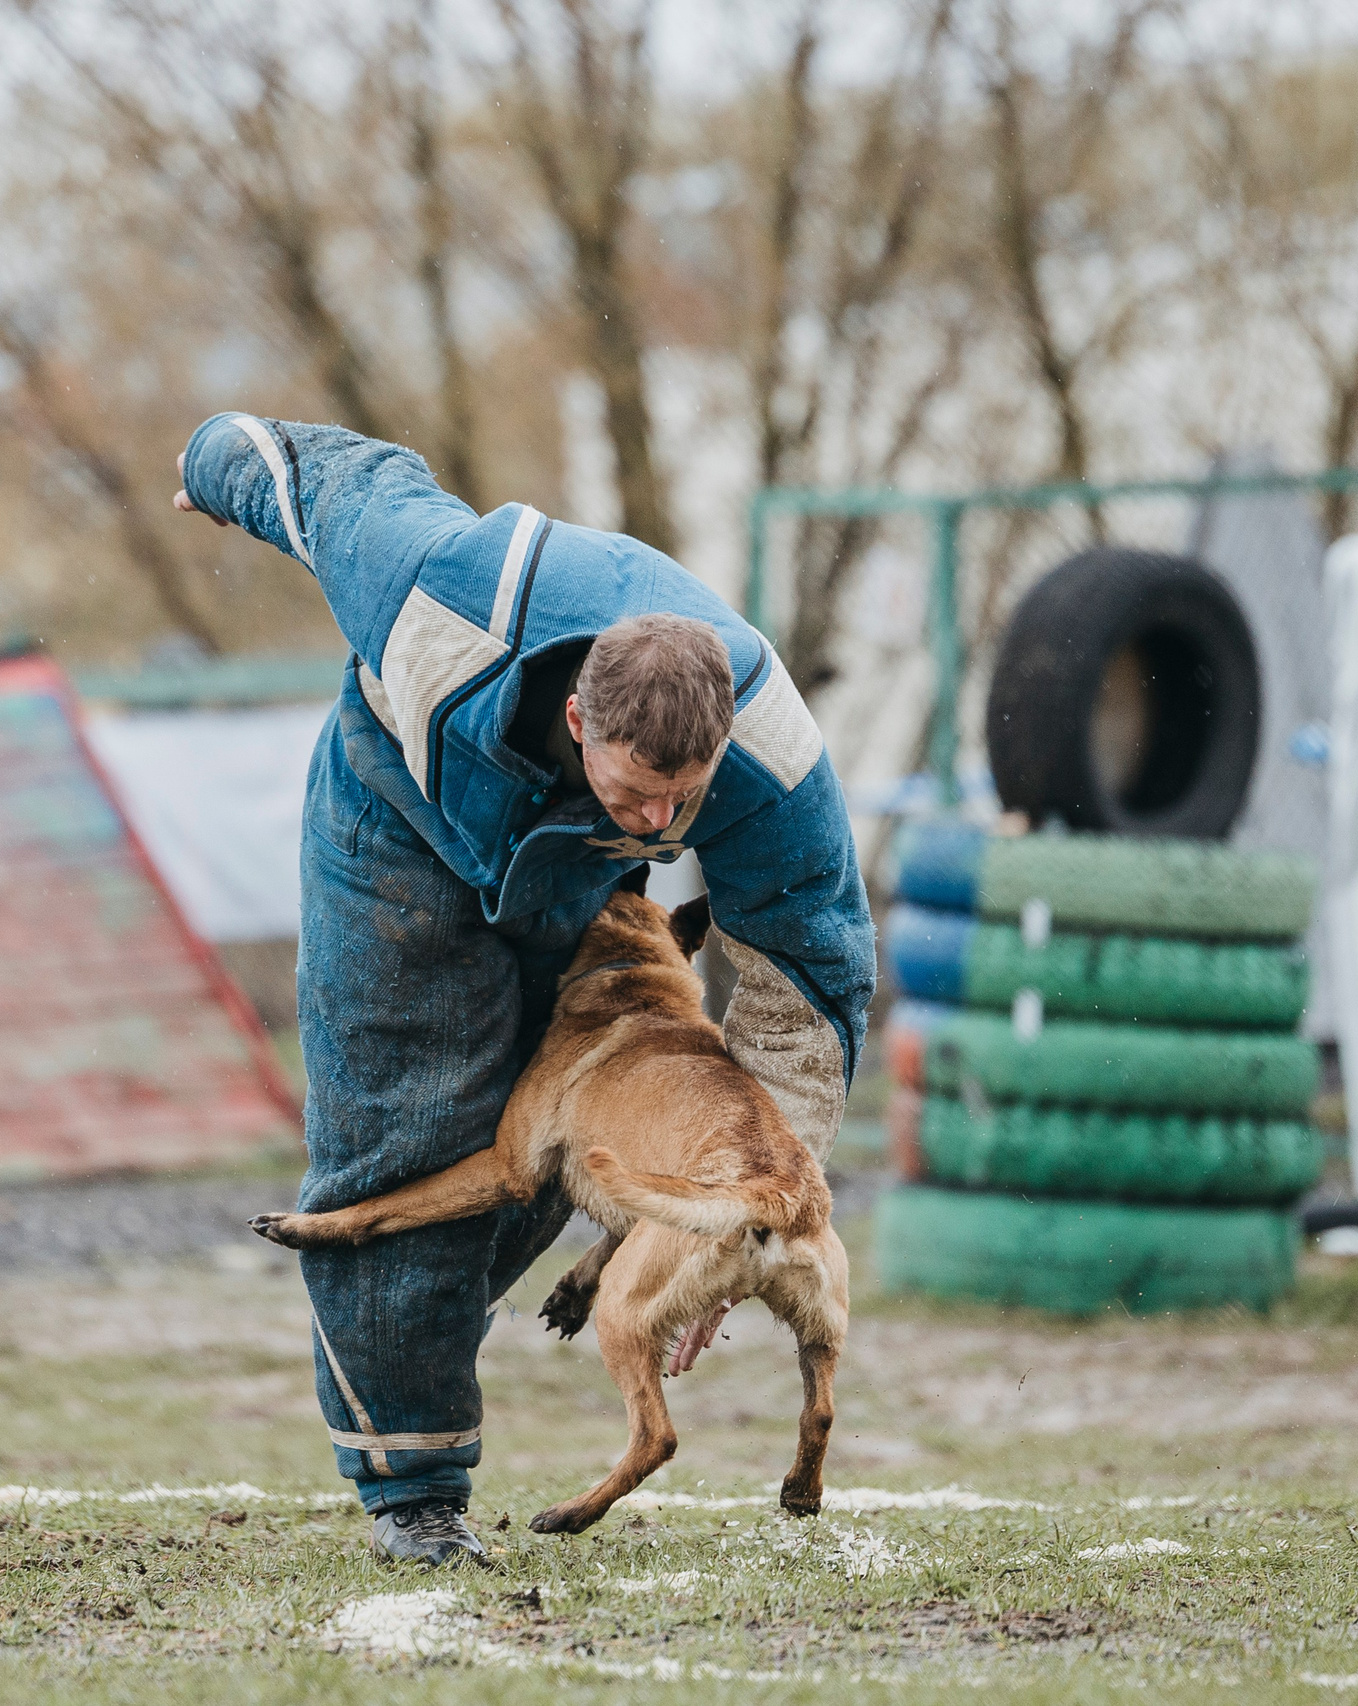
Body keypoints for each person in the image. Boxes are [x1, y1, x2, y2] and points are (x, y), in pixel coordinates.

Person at [172, 415, 873, 1567]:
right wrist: (209, 469)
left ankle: (436, 1319)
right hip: (395, 816)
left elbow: (809, 985)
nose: (658, 822)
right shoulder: (426, 586)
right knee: (408, 1128)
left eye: (680, 801)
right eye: (636, 789)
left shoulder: (770, 761)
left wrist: (736, 1218)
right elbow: (316, 477)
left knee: (546, 1148)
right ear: (577, 720)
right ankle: (417, 1492)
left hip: (576, 895)